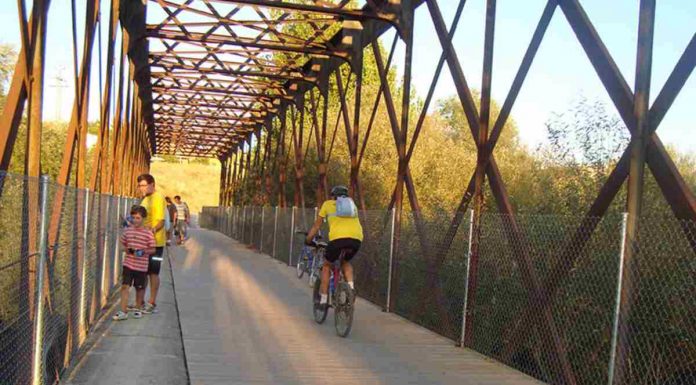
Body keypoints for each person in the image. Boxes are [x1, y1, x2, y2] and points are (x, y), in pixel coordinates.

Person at [305, 185, 363, 310]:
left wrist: (308, 240)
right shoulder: (352, 205)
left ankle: (324, 301)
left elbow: (316, 226)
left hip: (337, 239)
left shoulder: (327, 204)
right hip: (356, 239)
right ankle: (351, 288)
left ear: (333, 196)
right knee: (345, 262)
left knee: (327, 266)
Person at [113, 205, 156, 321]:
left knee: (139, 288)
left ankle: (137, 308)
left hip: (141, 266)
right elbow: (122, 243)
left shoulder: (148, 233)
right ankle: (123, 311)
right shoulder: (128, 231)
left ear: (144, 219)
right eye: (133, 218)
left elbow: (153, 248)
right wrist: (126, 249)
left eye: (138, 218)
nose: (135, 220)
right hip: (128, 263)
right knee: (125, 286)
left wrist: (143, 252)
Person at [137, 174, 167, 314]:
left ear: (152, 184)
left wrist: (152, 230)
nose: (141, 188)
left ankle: (152, 301)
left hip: (156, 243)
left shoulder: (158, 198)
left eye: (144, 185)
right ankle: (140, 301)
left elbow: (160, 220)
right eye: (140, 186)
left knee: (153, 273)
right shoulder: (145, 200)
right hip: (144, 242)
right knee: (143, 272)